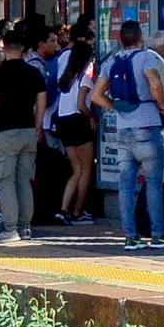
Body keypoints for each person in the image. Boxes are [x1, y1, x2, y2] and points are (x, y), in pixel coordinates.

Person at [91, 21, 164, 250]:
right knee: (154, 182)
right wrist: (162, 104)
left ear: (120, 40)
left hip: (122, 129)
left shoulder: (112, 61)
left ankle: (130, 236)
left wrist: (114, 107)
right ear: (140, 38)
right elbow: (155, 82)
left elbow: (95, 95)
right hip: (147, 124)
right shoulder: (145, 58)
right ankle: (158, 235)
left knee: (125, 185)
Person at [0, 28, 45, 242]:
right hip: (28, 131)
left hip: (6, 132)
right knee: (24, 180)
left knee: (5, 180)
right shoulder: (34, 73)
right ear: (24, 49)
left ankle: (10, 229)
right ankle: (25, 227)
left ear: (3, 46)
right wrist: (37, 128)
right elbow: (41, 104)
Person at [53, 30, 98, 225]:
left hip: (64, 122)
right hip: (78, 122)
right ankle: (78, 211)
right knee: (86, 168)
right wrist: (92, 116)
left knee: (76, 169)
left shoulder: (67, 78)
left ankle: (64, 209)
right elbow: (82, 104)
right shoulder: (85, 78)